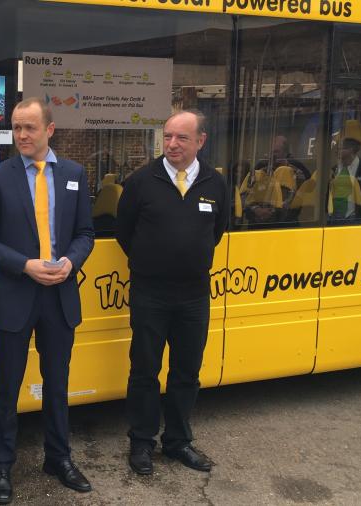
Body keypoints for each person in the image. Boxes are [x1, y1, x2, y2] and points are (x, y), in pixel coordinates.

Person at [0, 97, 95, 504]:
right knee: (7, 385)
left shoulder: (74, 174)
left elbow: (85, 234)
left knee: (57, 385)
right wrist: (24, 265)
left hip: (59, 296)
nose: (22, 135)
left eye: (30, 128)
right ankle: (1, 466)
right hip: (16, 295)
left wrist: (71, 262)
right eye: (16, 128)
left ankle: (58, 458)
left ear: (50, 130)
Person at [116, 110, 229, 476]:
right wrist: (153, 261)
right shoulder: (140, 181)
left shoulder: (215, 183)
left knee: (186, 372)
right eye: (167, 137)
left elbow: (217, 230)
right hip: (151, 293)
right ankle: (142, 442)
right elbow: (124, 233)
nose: (172, 144)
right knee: (145, 370)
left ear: (201, 141)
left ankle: (178, 441)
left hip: (194, 295)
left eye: (181, 137)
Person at [331, 137, 361, 219]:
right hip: (333, 217)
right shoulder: (334, 170)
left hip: (355, 219)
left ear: (351, 150)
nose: (337, 151)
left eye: (340, 149)